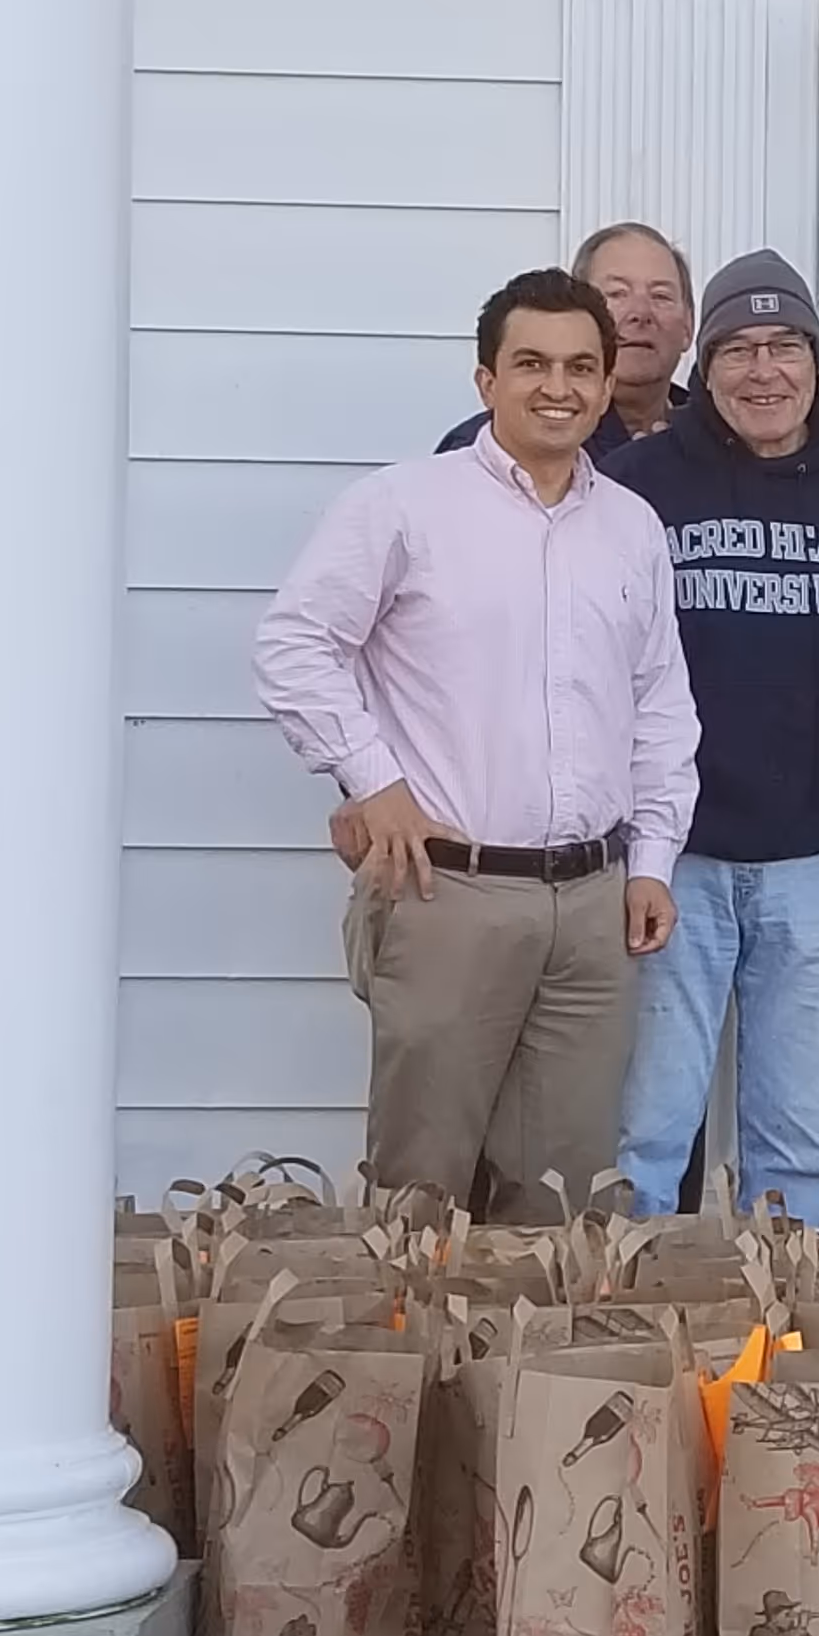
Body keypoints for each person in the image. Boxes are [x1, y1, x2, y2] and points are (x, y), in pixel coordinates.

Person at [255, 267, 695, 1214]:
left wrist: (653, 859)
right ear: (485, 379)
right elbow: (295, 645)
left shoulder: (632, 527)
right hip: (445, 888)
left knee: (565, 1195)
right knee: (422, 1183)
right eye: (530, 362)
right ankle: (405, 1367)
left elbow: (660, 705)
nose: (559, 386)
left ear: (609, 379)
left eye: (582, 365)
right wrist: (372, 780)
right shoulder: (404, 507)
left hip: (593, 905)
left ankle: (526, 1366)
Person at [604, 250, 819, 1218]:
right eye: (735, 350)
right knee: (647, 1131)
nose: (762, 372)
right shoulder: (636, 485)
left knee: (799, 1140)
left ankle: (788, 1346)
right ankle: (627, 1330)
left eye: (783, 345)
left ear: (817, 359)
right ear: (702, 369)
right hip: (673, 855)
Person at [441, 222, 694, 454]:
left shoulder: (713, 436)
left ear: (689, 326)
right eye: (617, 293)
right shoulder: (487, 447)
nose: (640, 313)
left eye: (661, 296)